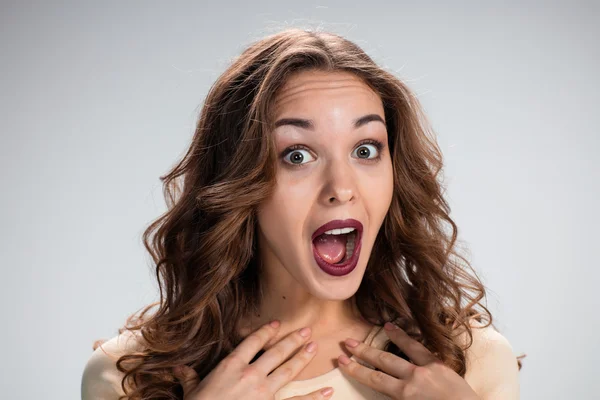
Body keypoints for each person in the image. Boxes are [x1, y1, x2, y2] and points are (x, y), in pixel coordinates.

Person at [81, 28, 525, 400]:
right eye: (297, 155)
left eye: (366, 150)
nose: (342, 188)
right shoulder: (130, 376)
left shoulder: (472, 363)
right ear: (239, 179)